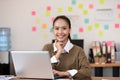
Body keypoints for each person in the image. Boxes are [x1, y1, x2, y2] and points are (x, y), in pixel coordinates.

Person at [42, 15, 92, 80]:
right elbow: (43, 71)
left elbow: (87, 72)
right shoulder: (47, 48)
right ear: (53, 30)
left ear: (69, 30)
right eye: (57, 28)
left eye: (64, 28)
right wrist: (58, 53)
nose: (60, 32)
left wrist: (65, 73)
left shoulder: (78, 50)